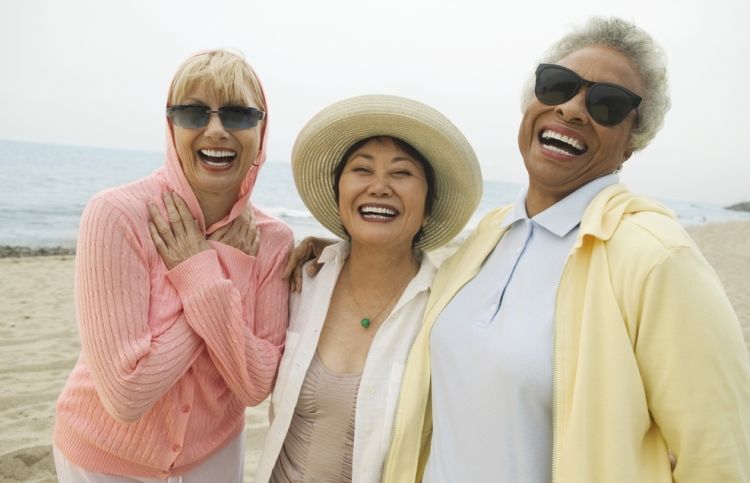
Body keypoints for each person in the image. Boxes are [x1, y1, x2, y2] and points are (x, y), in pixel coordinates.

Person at [380, 17, 750, 482]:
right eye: (558, 85)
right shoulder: (489, 235)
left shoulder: (657, 257)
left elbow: (720, 459)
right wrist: (332, 254)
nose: (574, 109)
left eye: (608, 104)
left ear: (632, 141)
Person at [53, 49, 293, 482]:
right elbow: (127, 393)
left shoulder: (274, 241)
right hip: (103, 458)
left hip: (214, 453)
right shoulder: (116, 215)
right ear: (171, 126)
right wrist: (221, 269)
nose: (216, 130)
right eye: (193, 112)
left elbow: (255, 385)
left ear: (262, 128)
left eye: (238, 114)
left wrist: (204, 273)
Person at [254, 94, 482, 482]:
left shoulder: (445, 311)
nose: (379, 187)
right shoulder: (300, 280)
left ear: (428, 207)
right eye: (362, 169)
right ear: (339, 192)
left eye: (402, 173)